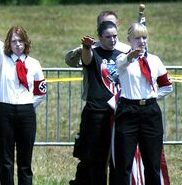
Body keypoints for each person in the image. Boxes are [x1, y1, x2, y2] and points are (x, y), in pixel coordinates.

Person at [66, 11, 130, 185]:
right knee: (95, 158)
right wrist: (86, 47)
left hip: (119, 110)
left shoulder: (124, 52)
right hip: (96, 111)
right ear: (100, 36)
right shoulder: (93, 51)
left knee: (118, 158)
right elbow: (84, 60)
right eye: (108, 36)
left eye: (115, 35)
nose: (112, 39)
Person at [114, 23, 172, 184]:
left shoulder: (154, 60)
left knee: (153, 163)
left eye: (144, 37)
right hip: (128, 111)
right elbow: (122, 64)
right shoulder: (122, 59)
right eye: (137, 38)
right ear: (129, 40)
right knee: (123, 163)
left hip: (150, 112)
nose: (142, 41)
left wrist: (152, 97)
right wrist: (131, 56)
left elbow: (167, 86)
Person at [0, 26, 47, 185]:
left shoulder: (34, 64)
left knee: (25, 160)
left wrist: (28, 105)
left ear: (26, 42)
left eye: (20, 41)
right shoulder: (2, 59)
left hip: (26, 111)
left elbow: (41, 92)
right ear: (8, 43)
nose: (17, 45)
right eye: (13, 41)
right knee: (6, 159)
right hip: (5, 111)